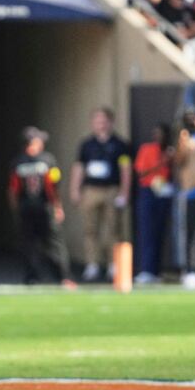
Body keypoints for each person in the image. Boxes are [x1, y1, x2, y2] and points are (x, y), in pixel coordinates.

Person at [69, 107, 132, 282]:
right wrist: (75, 189)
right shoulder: (87, 144)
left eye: (103, 121)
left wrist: (124, 192)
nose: (100, 125)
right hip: (91, 189)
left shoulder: (120, 144)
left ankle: (114, 264)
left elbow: (125, 168)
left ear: (110, 122)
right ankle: (92, 264)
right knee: (90, 228)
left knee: (113, 228)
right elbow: (79, 167)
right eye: (97, 121)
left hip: (111, 188)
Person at [8, 127, 75, 288]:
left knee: (44, 243)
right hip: (40, 207)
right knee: (40, 244)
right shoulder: (47, 160)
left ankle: (47, 277)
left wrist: (15, 208)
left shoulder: (18, 162)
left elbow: (12, 190)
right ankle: (53, 277)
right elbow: (53, 186)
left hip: (36, 208)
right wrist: (58, 206)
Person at [133, 123, 174, 284]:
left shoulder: (171, 150)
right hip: (148, 191)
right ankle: (147, 270)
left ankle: (156, 270)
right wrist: (163, 162)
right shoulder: (147, 149)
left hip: (164, 191)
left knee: (160, 231)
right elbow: (142, 172)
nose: (158, 136)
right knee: (147, 231)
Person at [174, 112, 195, 289]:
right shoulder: (188, 140)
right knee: (193, 234)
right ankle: (191, 270)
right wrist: (182, 141)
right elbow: (179, 160)